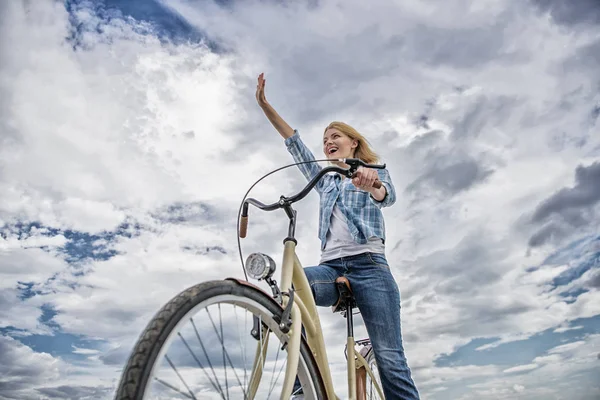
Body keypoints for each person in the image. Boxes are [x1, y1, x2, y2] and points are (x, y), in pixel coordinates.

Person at [255, 72, 420, 400]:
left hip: (370, 266)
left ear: (353, 142)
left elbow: (387, 195)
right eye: (326, 139)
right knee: (284, 297)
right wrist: (264, 104)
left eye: (335, 136)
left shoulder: (374, 170)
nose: (328, 142)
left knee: (390, 357)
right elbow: (295, 145)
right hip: (330, 270)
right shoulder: (326, 179)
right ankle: (303, 390)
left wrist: (371, 182)